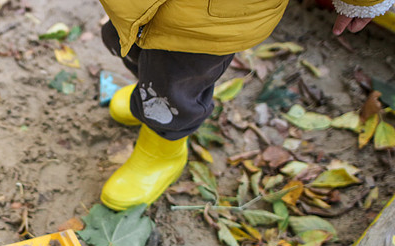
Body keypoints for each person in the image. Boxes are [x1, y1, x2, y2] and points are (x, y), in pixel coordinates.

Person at [97, 0, 395, 211]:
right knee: (131, 47)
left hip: (210, 19)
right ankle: (148, 95)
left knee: (177, 84)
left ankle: (163, 153)